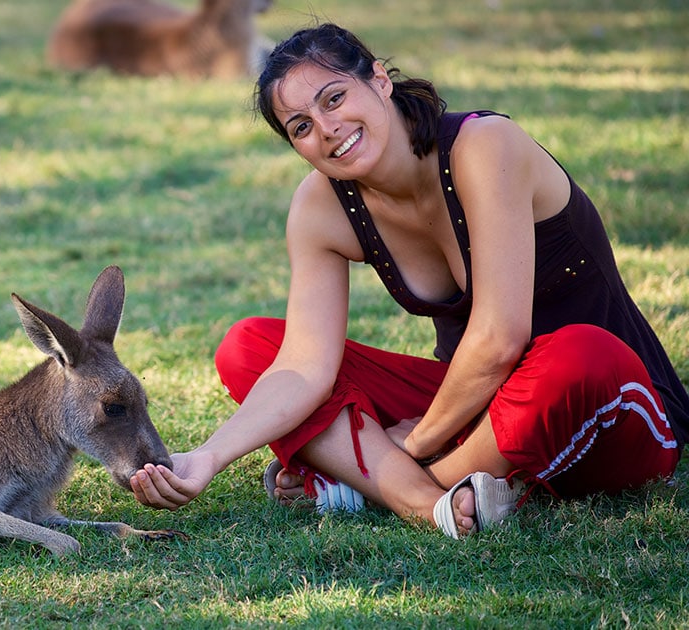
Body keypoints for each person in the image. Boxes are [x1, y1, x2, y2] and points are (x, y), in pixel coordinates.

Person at [128, 23, 688, 537]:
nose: (327, 129)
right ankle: (438, 497)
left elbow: (498, 340)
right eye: (302, 126)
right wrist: (207, 456)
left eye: (335, 98)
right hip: (475, 414)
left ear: (378, 79)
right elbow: (302, 365)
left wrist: (415, 444)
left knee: (579, 353)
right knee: (250, 346)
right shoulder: (322, 207)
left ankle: (391, 486)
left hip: (607, 405)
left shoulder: (484, 146)